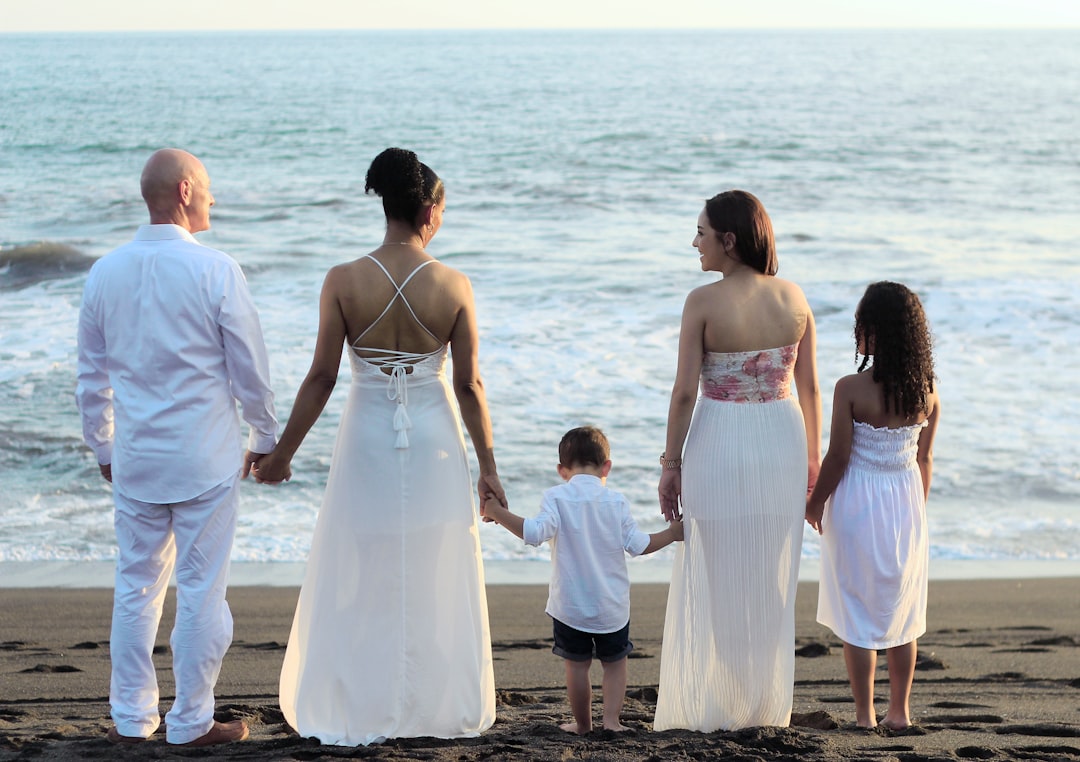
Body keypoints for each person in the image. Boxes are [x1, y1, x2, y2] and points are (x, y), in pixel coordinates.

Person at [252, 147, 503, 745]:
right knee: (434, 564)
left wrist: (282, 454)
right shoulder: (454, 284)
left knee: (360, 564)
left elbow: (321, 376)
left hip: (364, 435)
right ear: (429, 210)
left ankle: (359, 700)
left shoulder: (343, 279)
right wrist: (489, 468)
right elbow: (468, 384)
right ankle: (430, 704)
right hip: (436, 439)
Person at [75, 148, 279, 747]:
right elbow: (250, 370)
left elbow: (91, 376)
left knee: (136, 589)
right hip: (204, 460)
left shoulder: (104, 271)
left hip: (137, 460)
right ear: (186, 191)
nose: (215, 197)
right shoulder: (216, 271)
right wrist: (264, 438)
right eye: (209, 187)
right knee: (200, 591)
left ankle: (132, 721)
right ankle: (190, 722)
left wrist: (104, 448)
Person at [653, 190, 821, 732]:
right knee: (770, 576)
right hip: (782, 440)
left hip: (719, 438)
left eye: (701, 232)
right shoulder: (793, 297)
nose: (694, 242)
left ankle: (723, 703)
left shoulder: (702, 302)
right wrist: (813, 462)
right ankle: (765, 705)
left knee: (718, 572)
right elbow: (811, 389)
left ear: (729, 240)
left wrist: (669, 463)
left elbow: (683, 393)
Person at [481, 426, 683, 735]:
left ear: (562, 470)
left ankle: (583, 724)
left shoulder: (555, 497)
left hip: (570, 607)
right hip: (611, 607)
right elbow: (640, 545)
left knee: (577, 667)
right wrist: (670, 534)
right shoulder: (616, 502)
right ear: (607, 467)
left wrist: (496, 512)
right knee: (615, 665)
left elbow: (534, 533)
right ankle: (612, 721)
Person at [805, 281, 940, 730]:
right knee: (903, 611)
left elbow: (838, 457)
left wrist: (814, 502)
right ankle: (899, 711)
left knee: (857, 609)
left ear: (875, 332)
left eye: (861, 323)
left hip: (857, 502)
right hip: (905, 501)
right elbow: (924, 459)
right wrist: (914, 510)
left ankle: (864, 715)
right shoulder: (928, 392)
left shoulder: (850, 388)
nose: (856, 331)